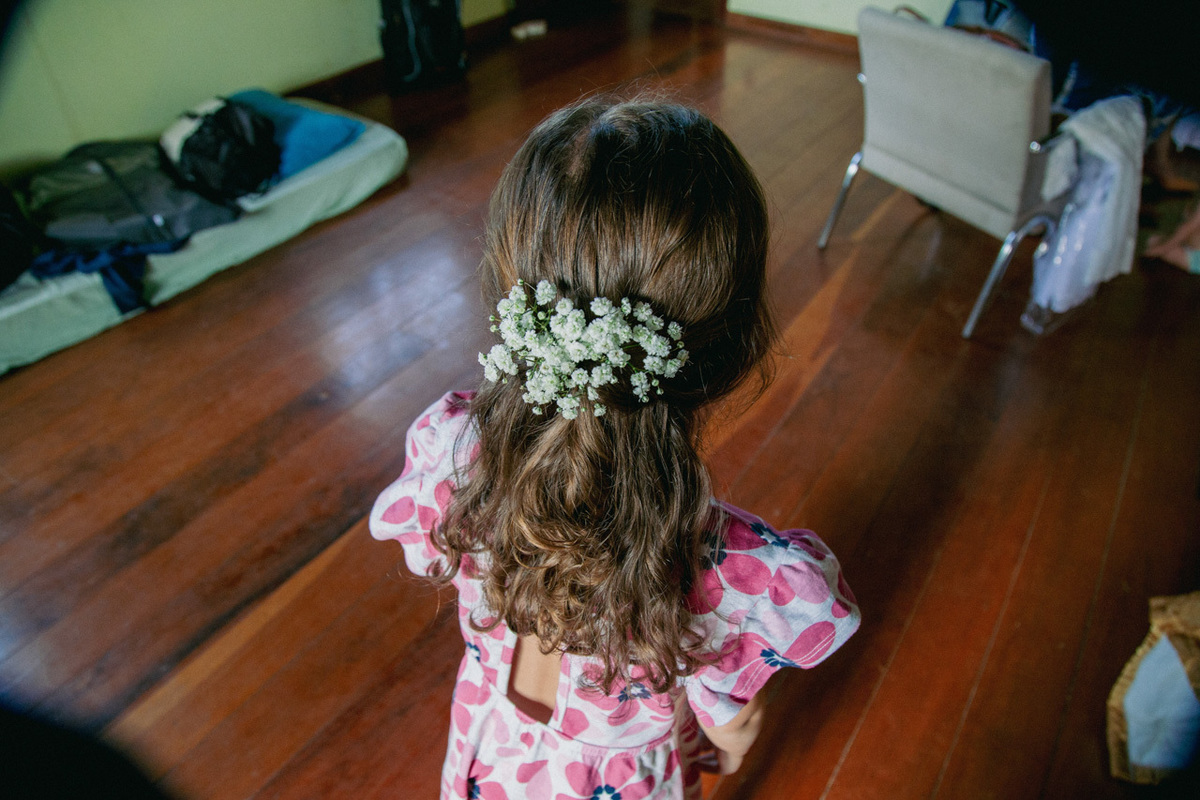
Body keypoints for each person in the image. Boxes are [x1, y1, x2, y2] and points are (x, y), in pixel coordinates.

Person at [369, 95, 860, 799]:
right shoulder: (732, 574)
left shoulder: (450, 450)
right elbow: (733, 726)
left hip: (492, 749)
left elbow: (432, 554)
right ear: (729, 350)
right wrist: (728, 752)